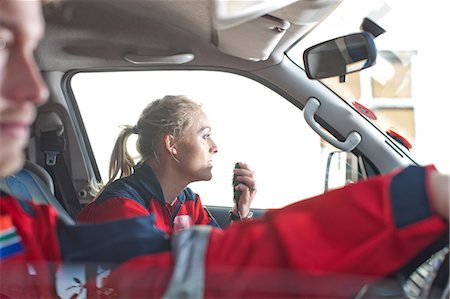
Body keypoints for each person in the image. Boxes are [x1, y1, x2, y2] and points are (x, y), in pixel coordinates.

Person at [0, 1, 449, 298]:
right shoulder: (119, 211)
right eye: (3, 45)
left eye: (29, 49)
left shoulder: (17, 230)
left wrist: (240, 212)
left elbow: (210, 260)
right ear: (171, 146)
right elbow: (190, 275)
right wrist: (414, 197)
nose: (32, 88)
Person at [77, 95, 257, 233]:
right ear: (172, 145)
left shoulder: (187, 202)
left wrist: (240, 213)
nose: (215, 147)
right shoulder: (121, 208)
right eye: (205, 136)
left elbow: (220, 259)